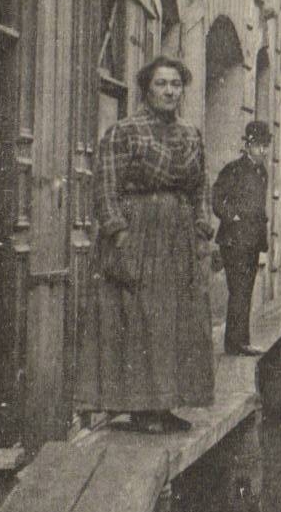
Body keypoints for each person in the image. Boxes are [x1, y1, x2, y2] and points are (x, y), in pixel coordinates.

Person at [76, 56, 214, 433]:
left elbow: (201, 186)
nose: (170, 91)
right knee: (141, 317)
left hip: (179, 236)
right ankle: (141, 408)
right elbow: (105, 187)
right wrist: (120, 234)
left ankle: (167, 404)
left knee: (178, 318)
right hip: (139, 232)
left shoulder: (190, 134)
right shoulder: (125, 132)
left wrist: (201, 229)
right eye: (161, 84)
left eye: (175, 84)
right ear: (146, 89)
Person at [212, 121, 271, 356]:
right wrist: (231, 216)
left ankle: (239, 342)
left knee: (245, 291)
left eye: (265, 146)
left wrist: (262, 241)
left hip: (252, 241)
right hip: (233, 241)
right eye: (258, 146)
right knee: (239, 290)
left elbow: (260, 211)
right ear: (247, 145)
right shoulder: (233, 170)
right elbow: (216, 199)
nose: (263, 151)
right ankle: (237, 343)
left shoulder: (262, 172)